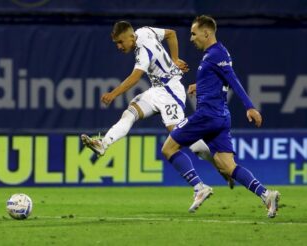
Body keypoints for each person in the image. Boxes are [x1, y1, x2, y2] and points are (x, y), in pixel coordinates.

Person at [81, 20, 233, 203]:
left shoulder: (143, 51)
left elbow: (136, 77)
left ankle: (222, 166)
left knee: (187, 141)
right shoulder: (145, 31)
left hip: (170, 92)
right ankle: (103, 144)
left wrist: (113, 94)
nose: (119, 47)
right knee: (130, 112)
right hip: (157, 90)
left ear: (131, 36)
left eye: (121, 42)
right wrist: (175, 59)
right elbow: (171, 33)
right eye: (116, 44)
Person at [161, 15, 280, 217]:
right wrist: (200, 86)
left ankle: (199, 187)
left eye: (193, 33)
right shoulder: (217, 53)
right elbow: (221, 79)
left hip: (207, 115)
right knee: (227, 166)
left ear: (206, 33)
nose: (191, 38)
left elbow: (232, 80)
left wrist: (250, 107)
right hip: (220, 117)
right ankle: (266, 194)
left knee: (168, 148)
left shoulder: (215, 54)